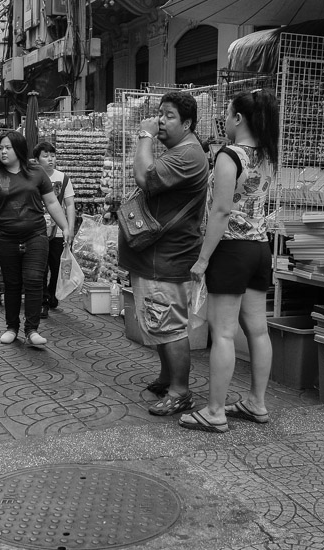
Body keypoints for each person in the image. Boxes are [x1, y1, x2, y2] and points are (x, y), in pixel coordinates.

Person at [180, 90, 279, 434]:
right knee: (258, 330)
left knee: (222, 333)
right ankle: (257, 403)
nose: (224, 120)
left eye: (227, 113)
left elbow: (221, 211)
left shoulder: (229, 155)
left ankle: (215, 411)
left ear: (238, 118)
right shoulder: (267, 155)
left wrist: (202, 259)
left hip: (231, 250)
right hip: (260, 249)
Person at [119, 91, 209, 417]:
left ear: (187, 124)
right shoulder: (181, 151)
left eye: (169, 115)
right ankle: (168, 377)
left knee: (169, 325)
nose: (160, 120)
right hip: (158, 256)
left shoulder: (188, 154)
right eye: (160, 113)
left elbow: (144, 177)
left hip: (167, 257)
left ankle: (180, 392)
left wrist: (144, 136)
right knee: (159, 321)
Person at [0, 131, 72, 346]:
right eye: (0, 148)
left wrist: (65, 227)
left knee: (34, 280)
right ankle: (12, 327)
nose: (3, 151)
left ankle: (32, 329)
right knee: (12, 283)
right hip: (6, 237)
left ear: (18, 149)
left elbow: (52, 202)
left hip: (36, 235)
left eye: (8, 147)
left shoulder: (37, 172)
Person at [33, 141, 75, 319]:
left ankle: (51, 294)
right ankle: (43, 302)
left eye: (52, 155)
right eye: (45, 156)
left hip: (58, 231)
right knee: (40, 268)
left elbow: (70, 204)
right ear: (37, 159)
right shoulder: (32, 177)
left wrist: (70, 228)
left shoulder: (63, 178)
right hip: (37, 230)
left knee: (57, 267)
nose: (50, 159)